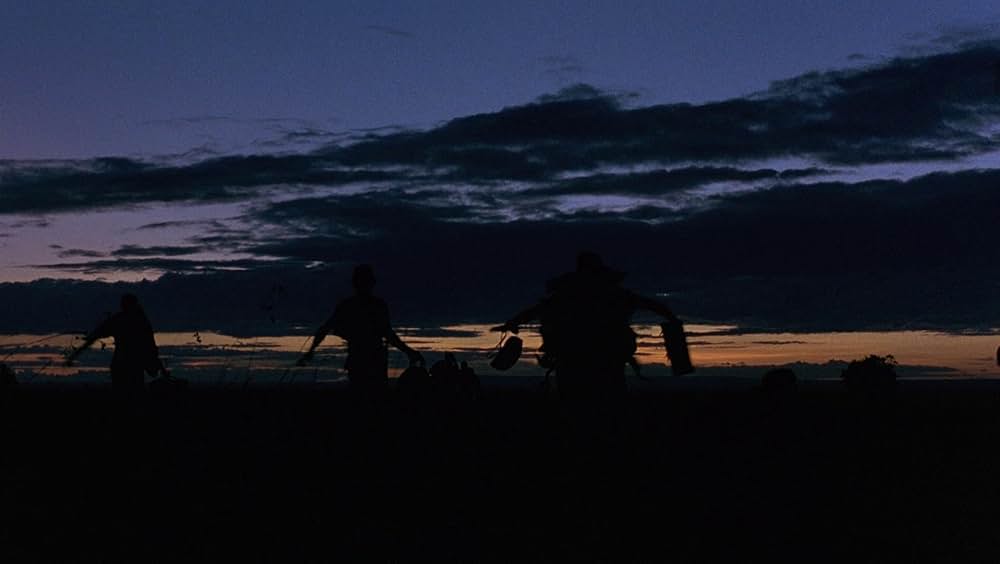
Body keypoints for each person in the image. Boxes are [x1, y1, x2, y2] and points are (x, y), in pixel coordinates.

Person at [493, 252, 681, 399]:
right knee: (608, 400)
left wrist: (513, 323)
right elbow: (651, 304)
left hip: (572, 360)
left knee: (576, 401)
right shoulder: (615, 296)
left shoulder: (565, 297)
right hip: (605, 361)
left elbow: (537, 310)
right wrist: (671, 318)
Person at [298, 264, 423, 395]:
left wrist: (311, 351)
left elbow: (325, 328)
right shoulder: (376, 305)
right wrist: (409, 351)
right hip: (373, 361)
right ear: (372, 283)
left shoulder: (349, 306)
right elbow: (388, 334)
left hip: (360, 361)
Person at [66, 293, 166, 392]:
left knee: (122, 398)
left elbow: (95, 336)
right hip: (132, 367)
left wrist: (75, 354)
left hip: (122, 366)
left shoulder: (119, 320)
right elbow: (151, 347)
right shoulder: (141, 321)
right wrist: (161, 368)